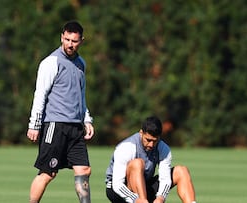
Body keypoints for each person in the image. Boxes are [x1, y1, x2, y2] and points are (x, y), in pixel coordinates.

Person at [26, 20, 94, 203]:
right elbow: (40, 94)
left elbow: (80, 95)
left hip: (75, 127)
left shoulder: (81, 64)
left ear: (81, 41)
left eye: (74, 41)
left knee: (84, 170)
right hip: (55, 125)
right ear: (61, 37)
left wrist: (87, 119)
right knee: (48, 173)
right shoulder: (51, 62)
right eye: (67, 39)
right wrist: (34, 125)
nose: (70, 44)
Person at [105, 116, 197, 203]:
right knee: (137, 163)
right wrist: (136, 199)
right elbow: (117, 184)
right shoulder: (127, 147)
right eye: (148, 140)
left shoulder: (163, 148)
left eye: (155, 141)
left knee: (181, 171)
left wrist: (161, 197)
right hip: (119, 191)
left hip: (144, 186)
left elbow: (165, 178)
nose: (151, 145)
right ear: (141, 133)